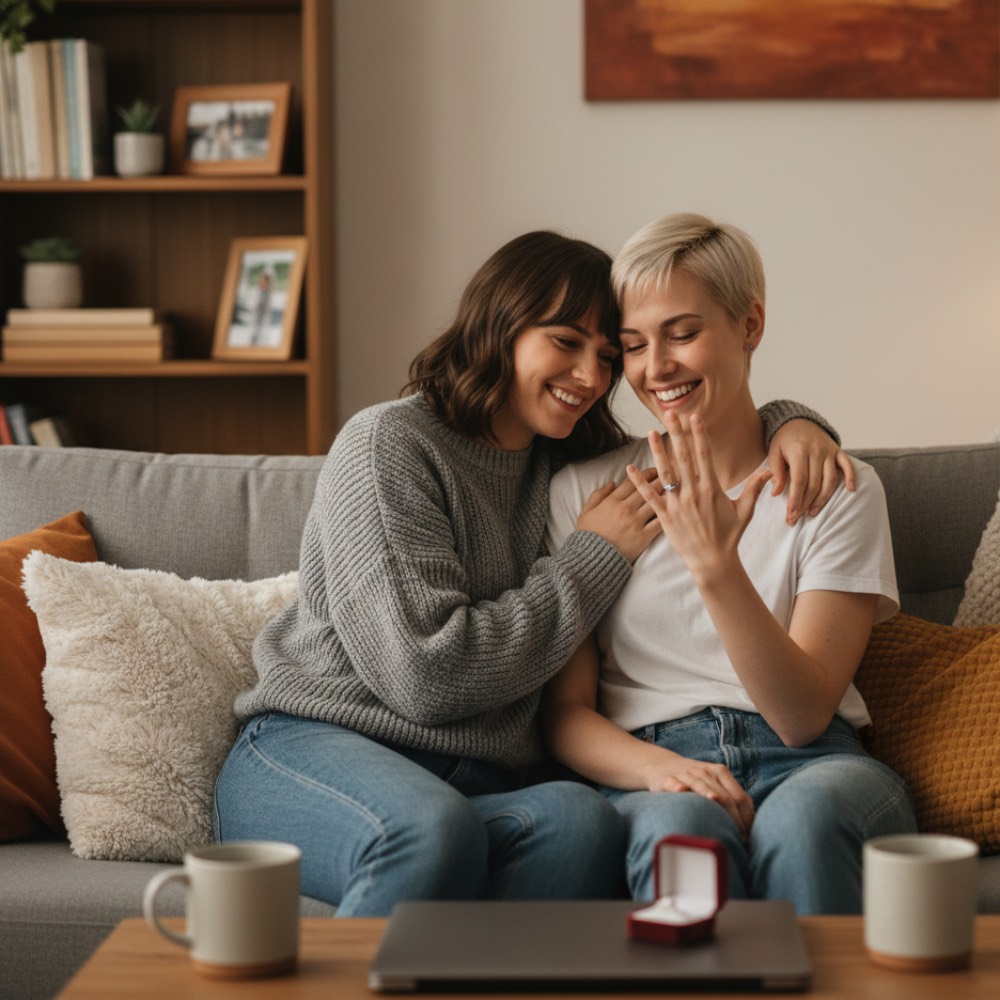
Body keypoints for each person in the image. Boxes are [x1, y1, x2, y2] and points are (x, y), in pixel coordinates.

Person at [214, 229, 850, 917]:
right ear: (501, 325)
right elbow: (426, 677)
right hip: (317, 750)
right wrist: (592, 558)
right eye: (565, 342)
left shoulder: (568, 464)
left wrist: (795, 425)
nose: (590, 377)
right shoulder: (390, 444)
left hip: (472, 784)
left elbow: (715, 425)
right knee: (426, 831)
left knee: (582, 821)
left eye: (609, 356)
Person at [542, 213, 917, 915]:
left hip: (817, 762)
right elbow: (564, 714)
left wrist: (716, 566)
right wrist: (665, 771)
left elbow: (804, 714)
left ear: (750, 325)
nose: (657, 368)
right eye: (633, 346)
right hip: (650, 761)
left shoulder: (835, 487)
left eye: (683, 334)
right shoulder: (582, 495)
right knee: (681, 835)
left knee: (805, 824)